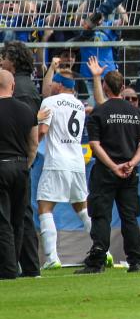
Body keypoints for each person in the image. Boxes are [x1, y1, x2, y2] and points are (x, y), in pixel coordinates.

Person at [78, 70, 140, 274]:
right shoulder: (137, 113)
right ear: (123, 87)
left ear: (105, 87)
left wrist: (113, 166)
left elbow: (94, 144)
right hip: (129, 172)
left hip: (105, 171)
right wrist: (131, 163)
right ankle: (136, 260)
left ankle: (97, 261)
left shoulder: (99, 112)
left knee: (101, 216)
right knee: (129, 216)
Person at [36, 72, 91, 270]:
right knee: (82, 208)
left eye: (52, 83)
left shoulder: (49, 102)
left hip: (57, 161)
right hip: (77, 162)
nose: (50, 86)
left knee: (44, 206)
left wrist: (32, 146)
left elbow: (43, 131)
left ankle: (52, 258)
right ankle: (103, 250)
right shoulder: (80, 105)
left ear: (59, 85)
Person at [0, 70, 39, 279]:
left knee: (3, 220)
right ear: (13, 86)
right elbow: (34, 143)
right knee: (18, 219)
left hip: (2, 165)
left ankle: (7, 269)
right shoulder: (27, 110)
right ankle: (14, 263)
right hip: (21, 166)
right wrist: (26, 165)